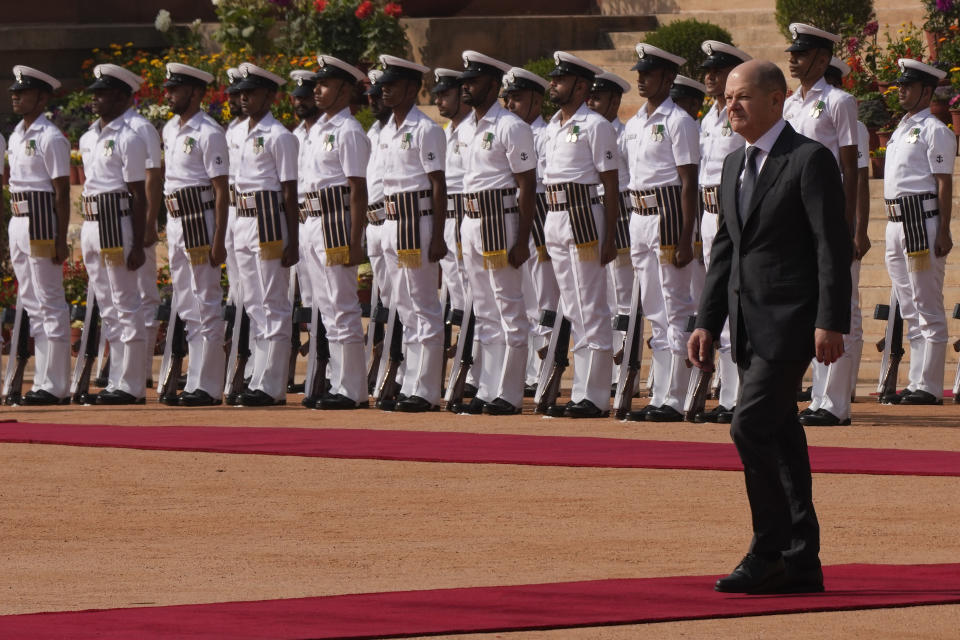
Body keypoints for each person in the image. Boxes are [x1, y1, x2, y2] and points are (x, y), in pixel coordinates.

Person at [689, 60, 852, 594]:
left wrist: (831, 321)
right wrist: (707, 321)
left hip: (792, 324)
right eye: (728, 98)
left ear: (778, 100)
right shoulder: (736, 164)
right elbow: (724, 250)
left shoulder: (809, 159)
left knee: (748, 425)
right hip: (747, 326)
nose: (730, 105)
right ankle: (803, 559)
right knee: (780, 435)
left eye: (743, 97)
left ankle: (769, 550)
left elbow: (831, 247)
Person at [783, 23, 862, 427]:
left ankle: (834, 404)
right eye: (792, 52)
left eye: (800, 52)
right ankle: (817, 397)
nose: (792, 59)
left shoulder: (839, 101)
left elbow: (850, 167)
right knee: (811, 309)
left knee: (836, 308)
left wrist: (846, 226)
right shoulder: (790, 104)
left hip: (828, 214)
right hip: (796, 217)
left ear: (821, 57)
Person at [455, 50, 537, 415]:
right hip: (472, 220)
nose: (466, 87)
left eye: (473, 81)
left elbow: (528, 185)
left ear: (492, 84)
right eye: (465, 81)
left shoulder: (511, 126)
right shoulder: (465, 127)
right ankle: (487, 389)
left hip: (499, 219)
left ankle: (510, 392)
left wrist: (521, 239)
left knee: (509, 307)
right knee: (485, 311)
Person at [623, 43, 701, 423]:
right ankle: (661, 392)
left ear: (668, 79)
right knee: (654, 308)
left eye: (648, 74)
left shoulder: (679, 121)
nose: (641, 79)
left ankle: (675, 395)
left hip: (669, 215)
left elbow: (689, 181)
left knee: (675, 306)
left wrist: (688, 236)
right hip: (640, 215)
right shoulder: (635, 123)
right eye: (639, 73)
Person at [541, 51, 620, 418]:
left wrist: (610, 236)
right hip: (556, 214)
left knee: (590, 304)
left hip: (584, 215)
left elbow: (611, 182)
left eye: (560, 79)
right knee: (572, 308)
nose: (553, 84)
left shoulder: (595, 124)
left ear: (581, 86)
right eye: (554, 78)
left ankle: (595, 394)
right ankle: (581, 392)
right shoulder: (552, 125)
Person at [376, 54, 447, 412]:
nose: (385, 90)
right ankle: (409, 382)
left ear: (410, 88)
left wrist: (437, 234)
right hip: (392, 223)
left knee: (423, 306)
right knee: (402, 306)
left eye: (392, 84)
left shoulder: (426, 129)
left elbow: (438, 184)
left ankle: (426, 389)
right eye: (383, 84)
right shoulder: (387, 130)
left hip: (417, 222)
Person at [881, 59, 955, 404]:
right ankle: (915, 382)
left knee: (927, 303)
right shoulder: (902, 126)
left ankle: (929, 385)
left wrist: (943, 230)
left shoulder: (935, 129)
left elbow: (943, 183)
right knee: (908, 306)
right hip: (896, 221)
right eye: (900, 86)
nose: (902, 91)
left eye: (908, 86)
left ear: (926, 91)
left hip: (920, 220)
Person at [300, 55, 370, 410]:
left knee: (342, 307)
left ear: (344, 89)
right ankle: (338, 382)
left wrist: (356, 241)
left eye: (325, 84)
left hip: (336, 222)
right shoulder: (318, 130)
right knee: (326, 308)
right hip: (313, 221)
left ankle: (352, 389)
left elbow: (358, 189)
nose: (317, 90)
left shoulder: (349, 131)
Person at [159, 63, 230, 406]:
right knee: (186, 302)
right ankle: (194, 383)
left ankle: (209, 385)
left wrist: (219, 238)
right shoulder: (170, 129)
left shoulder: (209, 132)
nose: (169, 94)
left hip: (199, 220)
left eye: (176, 89)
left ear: (196, 93)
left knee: (206, 300)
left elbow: (221, 190)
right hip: (176, 219)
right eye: (169, 88)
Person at [77, 63, 149, 404]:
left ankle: (131, 385)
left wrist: (136, 242)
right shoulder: (88, 136)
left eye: (103, 93)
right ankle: (116, 381)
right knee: (107, 305)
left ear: (122, 97)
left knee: (125, 302)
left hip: (116, 220)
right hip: (92, 222)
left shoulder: (129, 137)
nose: (96, 99)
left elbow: (139, 194)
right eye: (95, 93)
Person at [231, 62, 300, 406]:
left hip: (270, 220)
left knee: (273, 303)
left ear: (270, 96)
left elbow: (290, 190)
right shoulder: (238, 132)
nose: (244, 98)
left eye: (252, 92)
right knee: (254, 304)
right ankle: (258, 376)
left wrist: (293, 241)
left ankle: (272, 385)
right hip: (243, 219)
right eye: (241, 92)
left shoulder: (279, 136)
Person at [694, 40, 752, 424]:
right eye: (708, 71)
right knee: (718, 301)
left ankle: (737, 396)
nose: (709, 77)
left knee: (738, 305)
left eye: (718, 71)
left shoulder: (740, 114)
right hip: (709, 214)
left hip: (735, 212)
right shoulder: (707, 119)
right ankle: (726, 394)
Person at [7, 65, 72, 405]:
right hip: (18, 219)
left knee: (49, 302)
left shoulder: (50, 137)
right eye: (14, 91)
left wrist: (61, 239)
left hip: (42, 220)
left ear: (42, 97)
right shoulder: (17, 134)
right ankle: (44, 381)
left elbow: (62, 191)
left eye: (24, 91)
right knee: (31, 303)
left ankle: (55, 384)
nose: (15, 96)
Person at [501, 66, 559, 395]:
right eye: (508, 98)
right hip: (516, 213)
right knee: (521, 296)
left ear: (537, 100)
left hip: (541, 211)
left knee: (544, 295)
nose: (510, 104)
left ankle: (545, 369)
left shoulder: (544, 133)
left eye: (518, 98)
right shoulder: (510, 130)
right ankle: (525, 370)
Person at [825, 56, 871, 401]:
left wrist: (857, 230)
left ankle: (845, 386)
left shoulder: (853, 123)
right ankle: (827, 387)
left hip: (842, 216)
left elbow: (859, 179)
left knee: (847, 306)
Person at [586, 70, 633, 350]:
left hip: (622, 209)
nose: (591, 103)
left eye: (598, 98)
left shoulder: (623, 135)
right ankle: (607, 353)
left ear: (614, 102)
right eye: (589, 98)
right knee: (600, 291)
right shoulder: (589, 131)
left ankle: (624, 361)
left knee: (623, 290)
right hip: (593, 208)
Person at [121, 80, 163, 386]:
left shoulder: (141, 127)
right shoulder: (105, 130)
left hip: (137, 219)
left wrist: (149, 223)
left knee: (145, 294)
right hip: (113, 221)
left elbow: (153, 176)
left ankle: (143, 367)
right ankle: (122, 366)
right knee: (117, 296)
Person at [431, 68, 469, 324]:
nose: (438, 101)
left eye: (445, 95)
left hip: (467, 215)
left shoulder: (473, 131)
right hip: (446, 216)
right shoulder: (445, 131)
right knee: (455, 285)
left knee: (471, 287)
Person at [289, 68, 320, 335]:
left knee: (328, 296)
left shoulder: (327, 132)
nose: (301, 103)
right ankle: (316, 369)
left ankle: (333, 370)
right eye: (297, 98)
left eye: (306, 97)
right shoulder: (296, 136)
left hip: (325, 219)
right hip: (299, 220)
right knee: (307, 295)